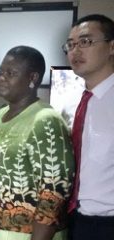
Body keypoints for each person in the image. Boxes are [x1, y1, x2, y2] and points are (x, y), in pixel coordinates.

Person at [0, 46, 75, 240]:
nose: (1, 77)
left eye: (10, 73)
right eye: (1, 71)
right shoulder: (1, 114)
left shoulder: (45, 119)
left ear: (33, 78)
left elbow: (54, 191)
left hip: (28, 233)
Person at [62, 14, 114, 240]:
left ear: (111, 47)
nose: (75, 51)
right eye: (71, 45)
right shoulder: (75, 102)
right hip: (75, 218)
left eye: (85, 42)